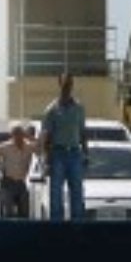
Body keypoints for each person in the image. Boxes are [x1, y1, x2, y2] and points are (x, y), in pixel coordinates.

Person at [41, 72, 88, 221]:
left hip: (74, 153)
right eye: (65, 84)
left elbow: (82, 132)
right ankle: (57, 228)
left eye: (70, 84)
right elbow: (47, 137)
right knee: (56, 194)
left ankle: (77, 226)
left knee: (77, 193)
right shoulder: (52, 110)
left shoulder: (79, 108)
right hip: (58, 154)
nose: (68, 87)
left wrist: (86, 153)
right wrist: (47, 160)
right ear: (59, 84)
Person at [0, 123, 35, 219]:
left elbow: (40, 150)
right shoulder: (6, 147)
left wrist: (32, 138)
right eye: (16, 134)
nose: (18, 137)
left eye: (20, 134)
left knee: (25, 211)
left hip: (21, 182)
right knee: (8, 212)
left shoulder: (28, 146)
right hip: (8, 182)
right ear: (12, 136)